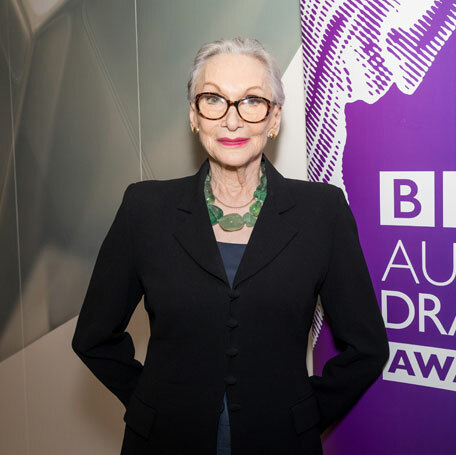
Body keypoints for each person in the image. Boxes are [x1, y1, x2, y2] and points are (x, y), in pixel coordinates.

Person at [71, 37, 389, 455]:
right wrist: (151, 405)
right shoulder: (144, 209)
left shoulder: (322, 211)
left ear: (274, 118)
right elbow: (93, 337)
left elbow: (367, 347)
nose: (232, 120)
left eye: (252, 101)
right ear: (193, 115)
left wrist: (304, 414)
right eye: (213, 99)